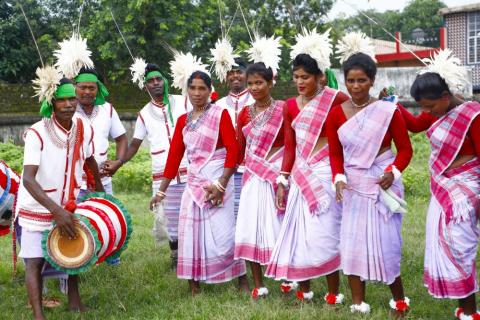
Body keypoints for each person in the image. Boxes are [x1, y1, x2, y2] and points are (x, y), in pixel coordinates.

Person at [328, 32, 413, 316]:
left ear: (372, 81)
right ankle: (357, 303)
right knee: (351, 244)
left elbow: (405, 150)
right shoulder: (337, 113)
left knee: (387, 244)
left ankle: (399, 301)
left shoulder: (388, 111)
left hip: (381, 184)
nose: (356, 86)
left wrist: (393, 172)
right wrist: (338, 177)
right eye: (350, 80)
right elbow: (335, 153)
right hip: (352, 185)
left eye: (361, 80)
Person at [266, 29, 349, 303]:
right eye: (296, 77)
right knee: (299, 233)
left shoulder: (335, 99)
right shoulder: (290, 105)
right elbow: (290, 147)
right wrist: (282, 180)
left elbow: (356, 121)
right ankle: (304, 289)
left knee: (326, 233)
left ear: (319, 77)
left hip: (325, 171)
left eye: (306, 77)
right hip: (301, 174)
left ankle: (334, 292)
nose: (300, 82)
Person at [16, 74, 104, 320]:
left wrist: (100, 191)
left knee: (74, 251)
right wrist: (56, 211)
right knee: (34, 262)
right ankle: (38, 314)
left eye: (71, 100)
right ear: (52, 103)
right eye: (62, 100)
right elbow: (28, 179)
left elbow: (89, 160)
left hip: (69, 203)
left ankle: (75, 301)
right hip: (38, 206)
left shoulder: (82, 127)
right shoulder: (37, 132)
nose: (68, 105)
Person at [152, 70, 248, 294]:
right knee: (190, 234)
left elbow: (233, 152)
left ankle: (241, 278)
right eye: (192, 88)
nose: (197, 93)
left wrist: (222, 183)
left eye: (201, 88)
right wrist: (161, 192)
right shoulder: (184, 120)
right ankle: (194, 285)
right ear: (187, 91)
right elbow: (175, 156)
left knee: (225, 233)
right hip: (194, 183)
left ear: (210, 90)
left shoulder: (220, 114)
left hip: (218, 180)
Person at [401, 49, 480, 320]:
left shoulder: (472, 114)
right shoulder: (436, 111)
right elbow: (413, 125)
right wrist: (391, 105)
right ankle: (462, 307)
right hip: (442, 188)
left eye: (429, 106)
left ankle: (470, 311)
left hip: (464, 191)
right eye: (422, 106)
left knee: (461, 248)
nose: (426, 112)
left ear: (445, 97)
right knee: (446, 246)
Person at [108, 62, 189, 269]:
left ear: (165, 81)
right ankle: (175, 256)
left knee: (191, 213)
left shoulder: (183, 101)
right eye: (150, 81)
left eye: (158, 79)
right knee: (169, 216)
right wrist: (119, 162)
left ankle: (194, 254)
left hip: (189, 167)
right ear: (145, 86)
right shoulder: (144, 113)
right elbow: (135, 144)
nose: (155, 83)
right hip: (162, 172)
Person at [234, 62, 285, 298]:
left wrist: (284, 176)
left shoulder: (284, 110)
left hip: (277, 178)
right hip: (253, 178)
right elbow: (239, 149)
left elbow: (291, 145)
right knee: (251, 228)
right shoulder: (243, 114)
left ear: (270, 83)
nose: (254, 87)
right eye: (250, 83)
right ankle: (258, 284)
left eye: (259, 83)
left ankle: (287, 281)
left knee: (280, 229)